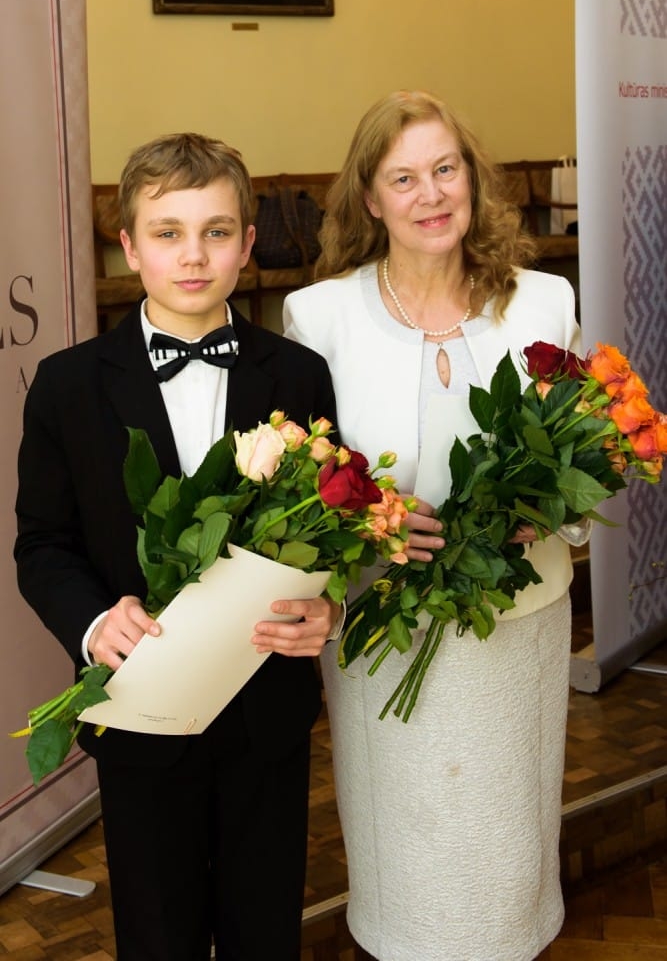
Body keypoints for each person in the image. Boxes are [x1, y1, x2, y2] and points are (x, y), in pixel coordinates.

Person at [15, 132, 343, 961]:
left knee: (264, 929)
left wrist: (328, 608)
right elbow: (42, 545)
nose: (193, 256)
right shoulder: (66, 385)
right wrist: (95, 624)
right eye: (168, 233)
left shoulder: (298, 375)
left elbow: (326, 531)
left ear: (246, 243)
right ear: (129, 246)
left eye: (216, 231)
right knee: (156, 934)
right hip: (139, 707)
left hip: (266, 707)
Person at [283, 90, 586, 961]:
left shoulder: (543, 301)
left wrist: (552, 511)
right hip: (385, 631)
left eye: (445, 169)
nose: (431, 194)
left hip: (520, 627)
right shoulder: (319, 317)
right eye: (404, 178)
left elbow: (585, 447)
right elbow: (306, 487)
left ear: (472, 178)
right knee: (409, 848)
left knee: (507, 834)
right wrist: (370, 522)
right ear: (370, 199)